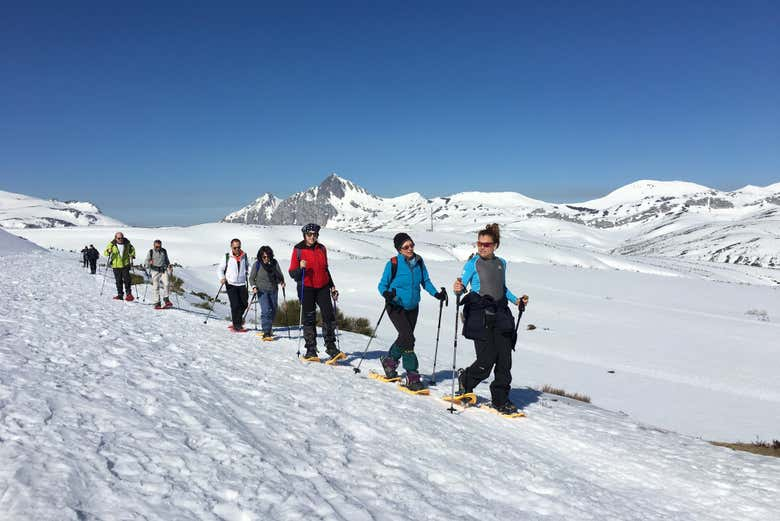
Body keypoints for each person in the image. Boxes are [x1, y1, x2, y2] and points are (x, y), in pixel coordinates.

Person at [452, 223, 530, 415]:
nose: (481, 247)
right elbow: (461, 286)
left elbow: (502, 287)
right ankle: (466, 379)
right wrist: (458, 289)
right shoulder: (472, 264)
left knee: (504, 360)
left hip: (501, 314)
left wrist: (516, 300)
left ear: (495, 245)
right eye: (479, 243)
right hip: (480, 314)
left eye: (486, 244)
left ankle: (500, 399)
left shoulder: (501, 263)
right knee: (486, 360)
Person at [377, 232, 447, 391]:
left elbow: (425, 281)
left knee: (404, 337)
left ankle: (389, 361)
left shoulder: (419, 261)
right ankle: (412, 375)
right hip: (395, 306)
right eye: (405, 247)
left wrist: (436, 294)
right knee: (409, 338)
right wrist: (386, 294)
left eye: (411, 245)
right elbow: (382, 285)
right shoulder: (393, 263)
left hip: (413, 307)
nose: (410, 249)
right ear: (399, 249)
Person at [288, 223, 343, 362]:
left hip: (323, 287)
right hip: (306, 287)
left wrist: (332, 286)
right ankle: (311, 350)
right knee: (309, 318)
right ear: (304, 235)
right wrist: (300, 268)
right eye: (309, 235)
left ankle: (331, 347)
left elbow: (325, 269)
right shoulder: (298, 250)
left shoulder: (322, 249)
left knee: (329, 315)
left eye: (315, 235)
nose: (312, 237)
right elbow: (292, 273)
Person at [249, 246, 286, 340]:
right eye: (264, 257)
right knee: (266, 310)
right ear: (260, 256)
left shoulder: (274, 263)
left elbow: (279, 275)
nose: (266, 258)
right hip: (261, 290)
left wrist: (282, 281)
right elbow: (251, 278)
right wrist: (254, 287)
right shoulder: (257, 264)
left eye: (268, 256)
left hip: (273, 289)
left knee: (273, 310)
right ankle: (266, 332)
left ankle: (268, 328)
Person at [218, 238, 249, 332]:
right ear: (231, 247)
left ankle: (237, 320)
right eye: (235, 247)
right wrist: (222, 278)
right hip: (230, 283)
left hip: (242, 283)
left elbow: (248, 267)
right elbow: (220, 269)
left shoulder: (244, 256)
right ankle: (237, 325)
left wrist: (252, 275)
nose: (237, 249)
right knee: (235, 305)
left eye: (238, 247)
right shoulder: (227, 257)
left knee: (244, 304)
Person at [104, 232, 136, 301]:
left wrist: (132, 255)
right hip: (116, 265)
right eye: (119, 238)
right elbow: (105, 253)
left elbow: (132, 250)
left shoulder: (127, 243)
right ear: (115, 238)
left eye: (121, 238)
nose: (120, 239)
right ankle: (120, 294)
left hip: (125, 264)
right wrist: (108, 251)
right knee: (118, 281)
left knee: (127, 279)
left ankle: (129, 294)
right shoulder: (112, 244)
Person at [145, 239, 173, 310]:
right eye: (156, 246)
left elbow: (166, 259)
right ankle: (157, 303)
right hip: (155, 271)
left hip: (163, 270)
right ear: (154, 245)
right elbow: (146, 261)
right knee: (156, 287)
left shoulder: (164, 251)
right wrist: (148, 264)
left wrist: (169, 265)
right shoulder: (151, 252)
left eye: (159, 246)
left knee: (167, 283)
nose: (158, 248)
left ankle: (166, 299)